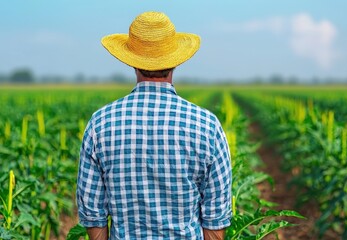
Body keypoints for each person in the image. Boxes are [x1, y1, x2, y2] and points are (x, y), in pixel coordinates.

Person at [76, 12, 232, 239]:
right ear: (175, 61)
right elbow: (215, 220)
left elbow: (93, 214)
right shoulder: (207, 126)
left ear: (132, 63)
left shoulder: (100, 124)